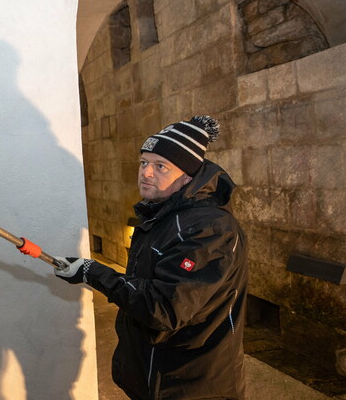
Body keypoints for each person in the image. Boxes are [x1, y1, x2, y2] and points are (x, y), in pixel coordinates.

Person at [45, 116, 247, 399]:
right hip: (157, 375)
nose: (146, 173)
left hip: (192, 385)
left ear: (187, 176)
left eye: (160, 166)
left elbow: (165, 308)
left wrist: (94, 272)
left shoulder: (209, 229)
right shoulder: (163, 215)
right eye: (144, 163)